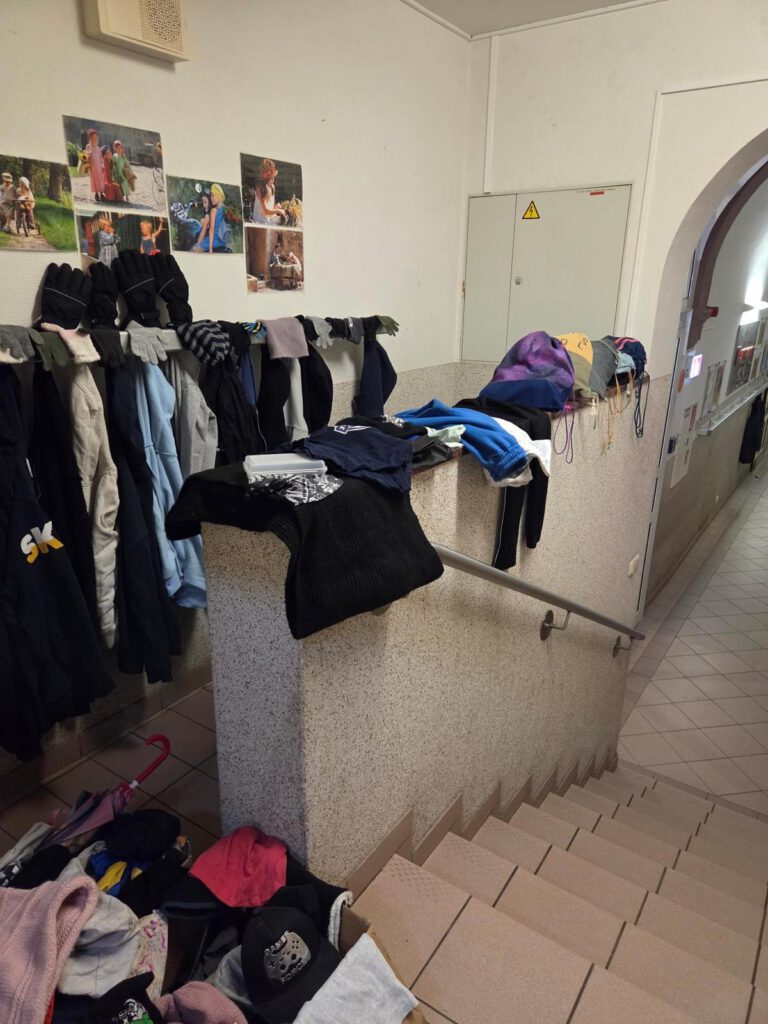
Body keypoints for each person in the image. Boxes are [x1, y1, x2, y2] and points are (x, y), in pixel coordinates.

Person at [194, 183, 231, 253]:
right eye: (211, 196)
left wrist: (210, 248)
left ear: (218, 196)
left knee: (195, 250)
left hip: (214, 241)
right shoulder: (225, 209)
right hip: (223, 241)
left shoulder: (214, 210)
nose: (211, 198)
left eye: (213, 196)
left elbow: (211, 230)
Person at [251, 158, 286, 224]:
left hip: (268, 217)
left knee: (286, 218)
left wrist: (276, 207)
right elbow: (265, 211)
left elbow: (269, 208)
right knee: (283, 221)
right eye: (271, 177)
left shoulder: (272, 187)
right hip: (260, 220)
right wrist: (278, 211)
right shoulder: (261, 187)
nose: (273, 179)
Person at [85, 128, 107, 203]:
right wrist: (88, 155)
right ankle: (96, 193)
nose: (95, 140)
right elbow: (87, 154)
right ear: (90, 138)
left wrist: (102, 165)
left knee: (100, 181)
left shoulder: (98, 148)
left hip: (99, 167)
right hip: (93, 167)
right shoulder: (88, 146)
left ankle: (101, 193)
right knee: (95, 180)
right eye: (93, 138)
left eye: (96, 138)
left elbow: (101, 158)